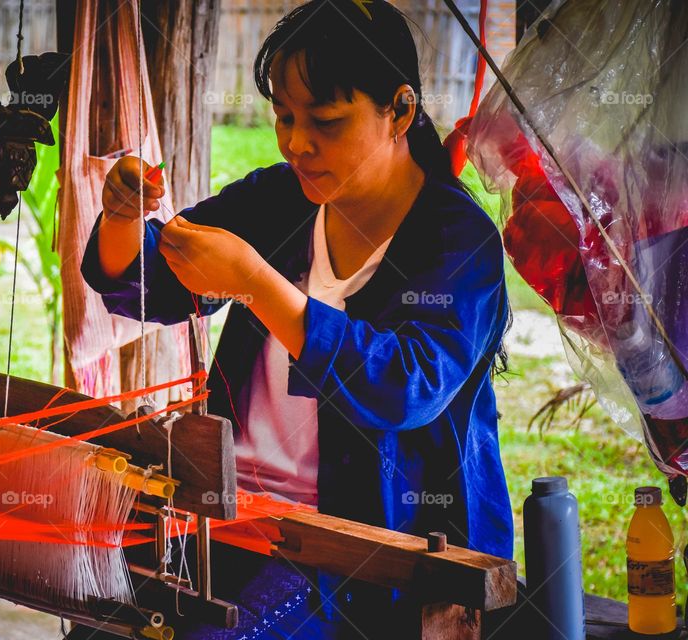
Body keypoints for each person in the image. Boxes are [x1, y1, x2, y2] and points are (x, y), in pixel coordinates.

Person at [80, 0, 514, 636]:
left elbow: (404, 385)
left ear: (400, 111)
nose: (296, 142)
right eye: (284, 117)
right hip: (230, 520)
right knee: (100, 618)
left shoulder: (457, 242)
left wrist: (256, 283)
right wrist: (123, 213)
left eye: (326, 121)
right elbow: (154, 283)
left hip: (366, 552)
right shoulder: (281, 198)